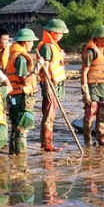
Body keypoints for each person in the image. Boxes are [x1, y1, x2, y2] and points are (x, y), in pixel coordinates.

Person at [81, 26, 104, 147]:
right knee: (90, 115)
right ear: (98, 38)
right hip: (92, 87)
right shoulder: (90, 52)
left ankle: (102, 141)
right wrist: (85, 90)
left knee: (103, 115)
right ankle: (88, 141)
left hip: (103, 87)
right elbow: (84, 72)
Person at [5, 28, 39, 155]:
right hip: (21, 98)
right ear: (25, 42)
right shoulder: (21, 58)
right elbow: (25, 81)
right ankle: (21, 158)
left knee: (15, 129)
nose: (32, 44)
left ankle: (13, 156)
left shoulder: (13, 54)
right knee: (22, 130)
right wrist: (36, 70)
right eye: (31, 42)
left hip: (14, 97)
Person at [37, 19, 69, 152]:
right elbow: (45, 67)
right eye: (60, 33)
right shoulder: (46, 47)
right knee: (49, 115)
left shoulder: (54, 45)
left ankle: (47, 142)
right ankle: (47, 144)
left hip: (56, 84)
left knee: (51, 113)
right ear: (53, 32)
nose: (61, 35)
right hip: (50, 84)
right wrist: (49, 89)